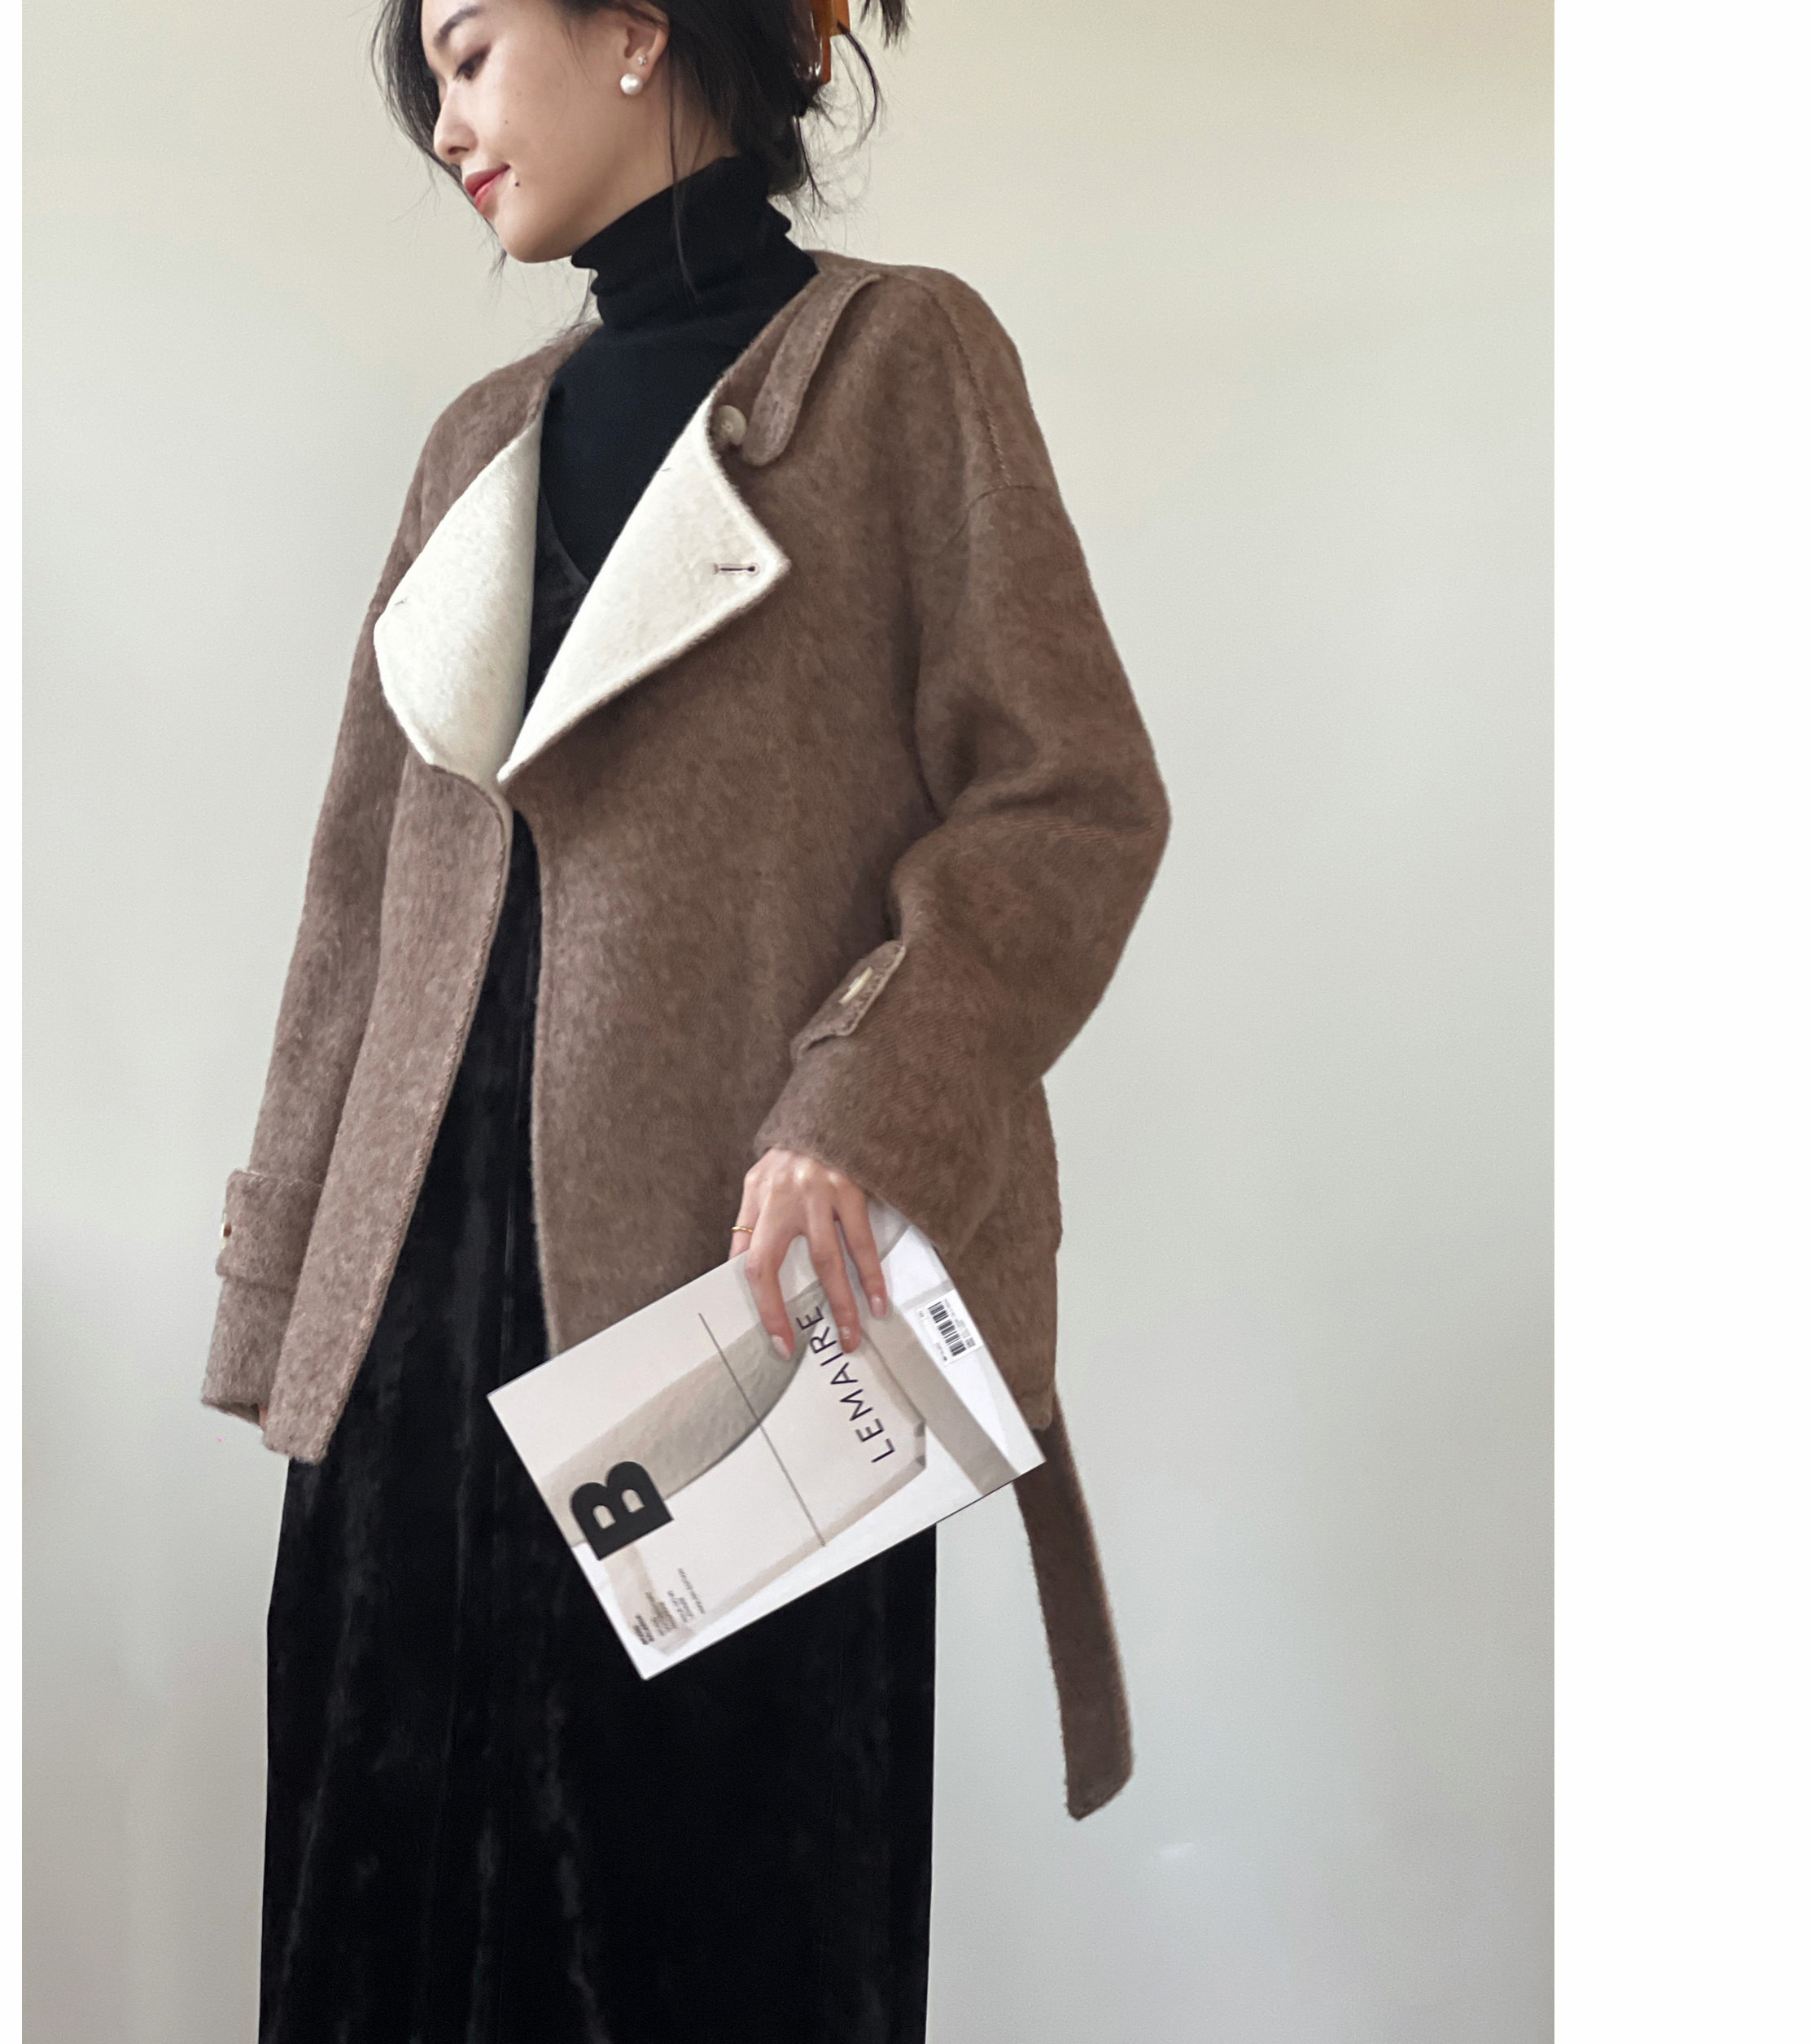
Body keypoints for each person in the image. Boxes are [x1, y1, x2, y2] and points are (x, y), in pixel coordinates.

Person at [200, 0, 1171, 2037]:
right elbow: (355, 898)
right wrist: (285, 1299)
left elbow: (1067, 795)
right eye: (430, 82)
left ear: (638, 29)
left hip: (728, 1326)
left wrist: (863, 1096)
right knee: (379, 1938)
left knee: (710, 1943)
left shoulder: (900, 365)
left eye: (470, 52)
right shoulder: (475, 439)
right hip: (409, 1341)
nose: (444, 122)